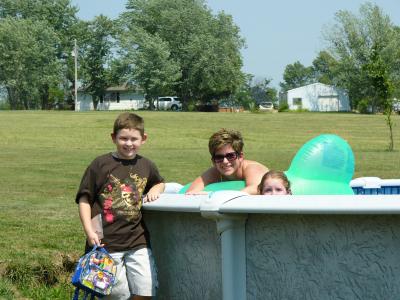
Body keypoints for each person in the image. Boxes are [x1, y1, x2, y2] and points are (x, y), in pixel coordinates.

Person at [75, 112, 165, 300]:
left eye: (134, 139)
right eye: (123, 138)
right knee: (118, 295)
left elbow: (159, 182)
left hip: (138, 241)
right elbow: (84, 198)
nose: (129, 143)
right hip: (105, 243)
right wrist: (88, 230)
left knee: (146, 291)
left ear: (144, 139)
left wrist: (156, 189)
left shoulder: (146, 165)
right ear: (113, 137)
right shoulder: (100, 164)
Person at [185, 128, 268, 195]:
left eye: (230, 156)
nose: (225, 161)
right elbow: (191, 192)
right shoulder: (215, 172)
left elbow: (257, 188)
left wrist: (218, 196)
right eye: (219, 157)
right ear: (213, 161)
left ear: (240, 156)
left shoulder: (252, 168)